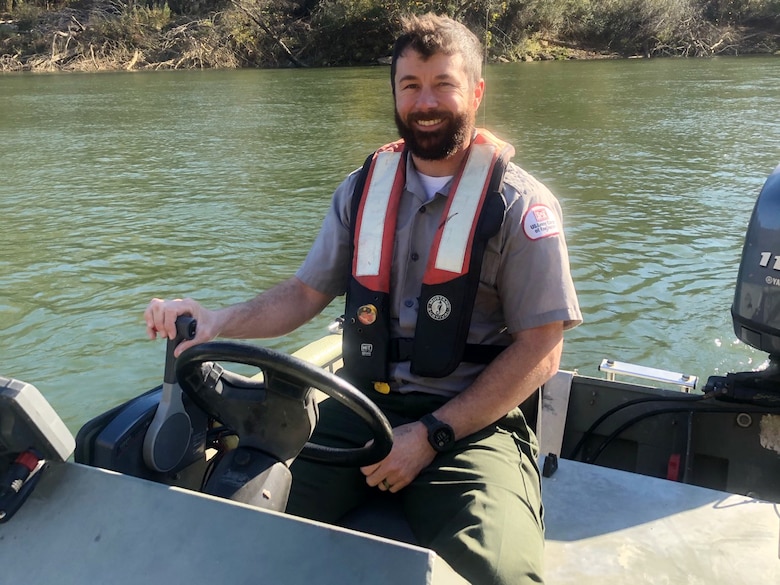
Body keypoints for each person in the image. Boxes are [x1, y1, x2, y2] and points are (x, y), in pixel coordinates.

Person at [145, 13, 581, 585]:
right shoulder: (360, 190)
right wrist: (214, 319)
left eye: (443, 85)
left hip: (472, 427)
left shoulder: (522, 206)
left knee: (500, 574)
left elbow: (541, 350)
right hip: (358, 411)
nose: (426, 102)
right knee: (245, 528)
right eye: (410, 86)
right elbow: (303, 294)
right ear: (396, 93)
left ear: (475, 91)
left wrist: (429, 436)